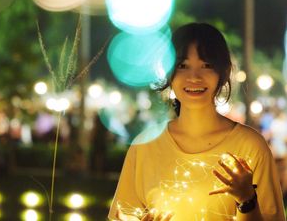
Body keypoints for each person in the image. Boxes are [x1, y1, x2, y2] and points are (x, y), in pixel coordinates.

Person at [108, 23, 285, 221]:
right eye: (182, 66)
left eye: (206, 65)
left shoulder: (250, 147)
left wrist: (246, 199)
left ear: (224, 72)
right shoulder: (145, 146)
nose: (194, 77)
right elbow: (122, 215)